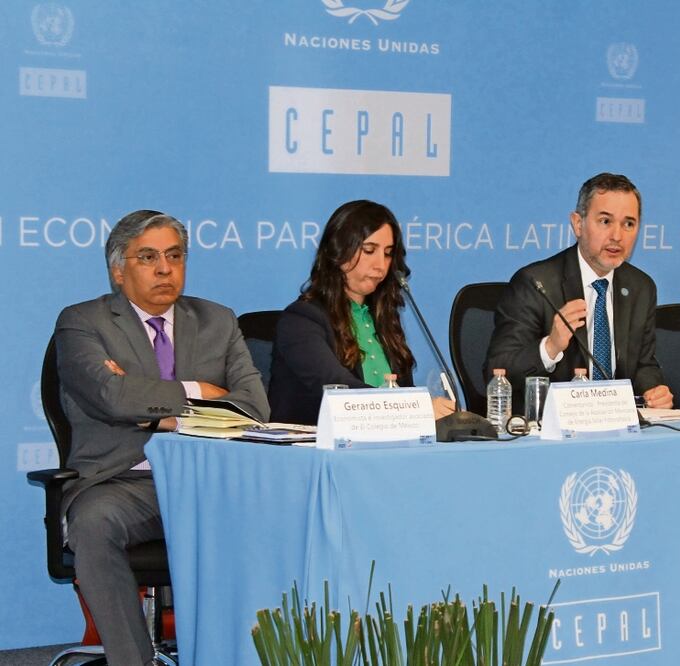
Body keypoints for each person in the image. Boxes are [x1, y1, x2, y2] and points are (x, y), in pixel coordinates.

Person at [54, 210, 269, 665]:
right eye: (147, 257)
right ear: (118, 270)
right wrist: (200, 393)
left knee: (280, 510)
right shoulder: (82, 323)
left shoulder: (218, 320)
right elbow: (111, 397)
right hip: (123, 483)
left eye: (174, 255)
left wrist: (160, 414)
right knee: (94, 524)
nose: (164, 268)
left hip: (206, 479)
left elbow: (253, 406)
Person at [485, 172, 673, 410]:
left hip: (618, 426)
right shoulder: (535, 283)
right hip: (555, 428)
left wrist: (654, 390)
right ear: (578, 224)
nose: (617, 236)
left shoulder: (641, 287)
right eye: (605, 221)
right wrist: (550, 347)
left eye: (628, 224)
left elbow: (643, 364)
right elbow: (496, 371)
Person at [268, 199, 455, 424]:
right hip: (316, 451)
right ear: (339, 251)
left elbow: (401, 390)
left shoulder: (382, 318)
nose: (381, 265)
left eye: (387, 253)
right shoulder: (301, 320)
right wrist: (416, 408)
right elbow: (337, 389)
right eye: (369, 250)